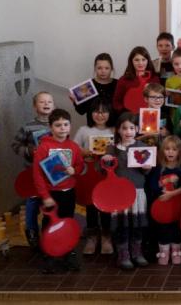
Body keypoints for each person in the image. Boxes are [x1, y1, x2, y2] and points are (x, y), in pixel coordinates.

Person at [31, 108, 85, 273]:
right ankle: (49, 255)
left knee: (67, 222)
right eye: (58, 125)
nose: (62, 128)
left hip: (68, 192)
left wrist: (74, 170)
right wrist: (45, 196)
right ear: (51, 127)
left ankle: (67, 252)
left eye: (65, 124)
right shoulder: (43, 147)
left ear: (70, 126)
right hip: (50, 194)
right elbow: (37, 174)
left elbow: (80, 164)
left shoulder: (73, 146)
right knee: (49, 225)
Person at [103, 113, 152, 270]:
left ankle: (136, 252)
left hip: (137, 192)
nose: (128, 131)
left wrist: (147, 167)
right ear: (118, 130)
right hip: (119, 194)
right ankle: (123, 253)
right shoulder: (111, 148)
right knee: (121, 225)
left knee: (137, 225)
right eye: (124, 128)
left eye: (132, 128)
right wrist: (104, 160)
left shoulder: (141, 147)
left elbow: (146, 172)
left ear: (137, 129)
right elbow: (103, 170)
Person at [11, 91, 54, 251]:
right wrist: (29, 151)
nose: (46, 104)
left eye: (49, 101)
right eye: (42, 102)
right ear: (35, 106)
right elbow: (15, 145)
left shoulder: (57, 124)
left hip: (51, 174)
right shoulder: (28, 126)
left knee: (50, 202)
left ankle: (47, 230)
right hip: (32, 172)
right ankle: (31, 231)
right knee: (32, 202)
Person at [72, 97, 115, 255]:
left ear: (110, 114)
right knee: (90, 206)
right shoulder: (84, 130)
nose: (100, 115)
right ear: (91, 114)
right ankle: (92, 237)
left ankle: (106, 237)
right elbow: (74, 150)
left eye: (104, 112)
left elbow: (120, 150)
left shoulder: (114, 130)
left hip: (107, 175)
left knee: (106, 206)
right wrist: (84, 152)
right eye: (96, 111)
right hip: (89, 174)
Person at [147, 135, 181, 265]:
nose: (170, 152)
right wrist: (165, 181)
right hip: (162, 206)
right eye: (167, 149)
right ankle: (164, 251)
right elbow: (152, 186)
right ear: (162, 151)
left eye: (174, 149)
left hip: (178, 205)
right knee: (163, 227)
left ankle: (176, 250)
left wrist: (172, 193)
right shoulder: (158, 168)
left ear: (179, 152)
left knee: (177, 227)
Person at [72, 53, 118, 127]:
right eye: (99, 68)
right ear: (95, 68)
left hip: (113, 128)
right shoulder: (87, 86)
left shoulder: (118, 84)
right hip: (93, 128)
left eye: (106, 68)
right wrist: (75, 101)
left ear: (111, 69)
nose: (103, 71)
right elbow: (81, 111)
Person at [113, 46, 160, 114]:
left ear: (148, 61)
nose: (140, 63)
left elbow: (159, 100)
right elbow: (116, 102)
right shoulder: (123, 80)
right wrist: (126, 112)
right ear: (131, 61)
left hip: (149, 115)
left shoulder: (154, 79)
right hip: (128, 117)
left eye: (143, 59)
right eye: (136, 60)